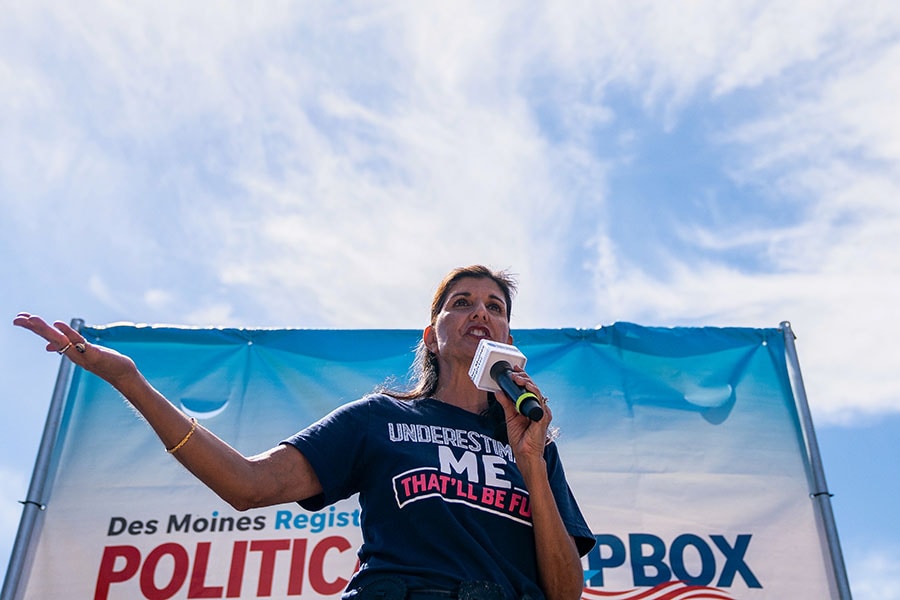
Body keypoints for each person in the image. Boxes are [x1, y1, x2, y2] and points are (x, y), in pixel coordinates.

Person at [14, 265, 595, 600]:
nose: (480, 312)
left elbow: (566, 593)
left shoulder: (535, 441)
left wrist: (531, 466)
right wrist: (129, 378)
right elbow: (247, 484)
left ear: (509, 336)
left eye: (495, 306)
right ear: (431, 335)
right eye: (461, 302)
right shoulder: (381, 418)